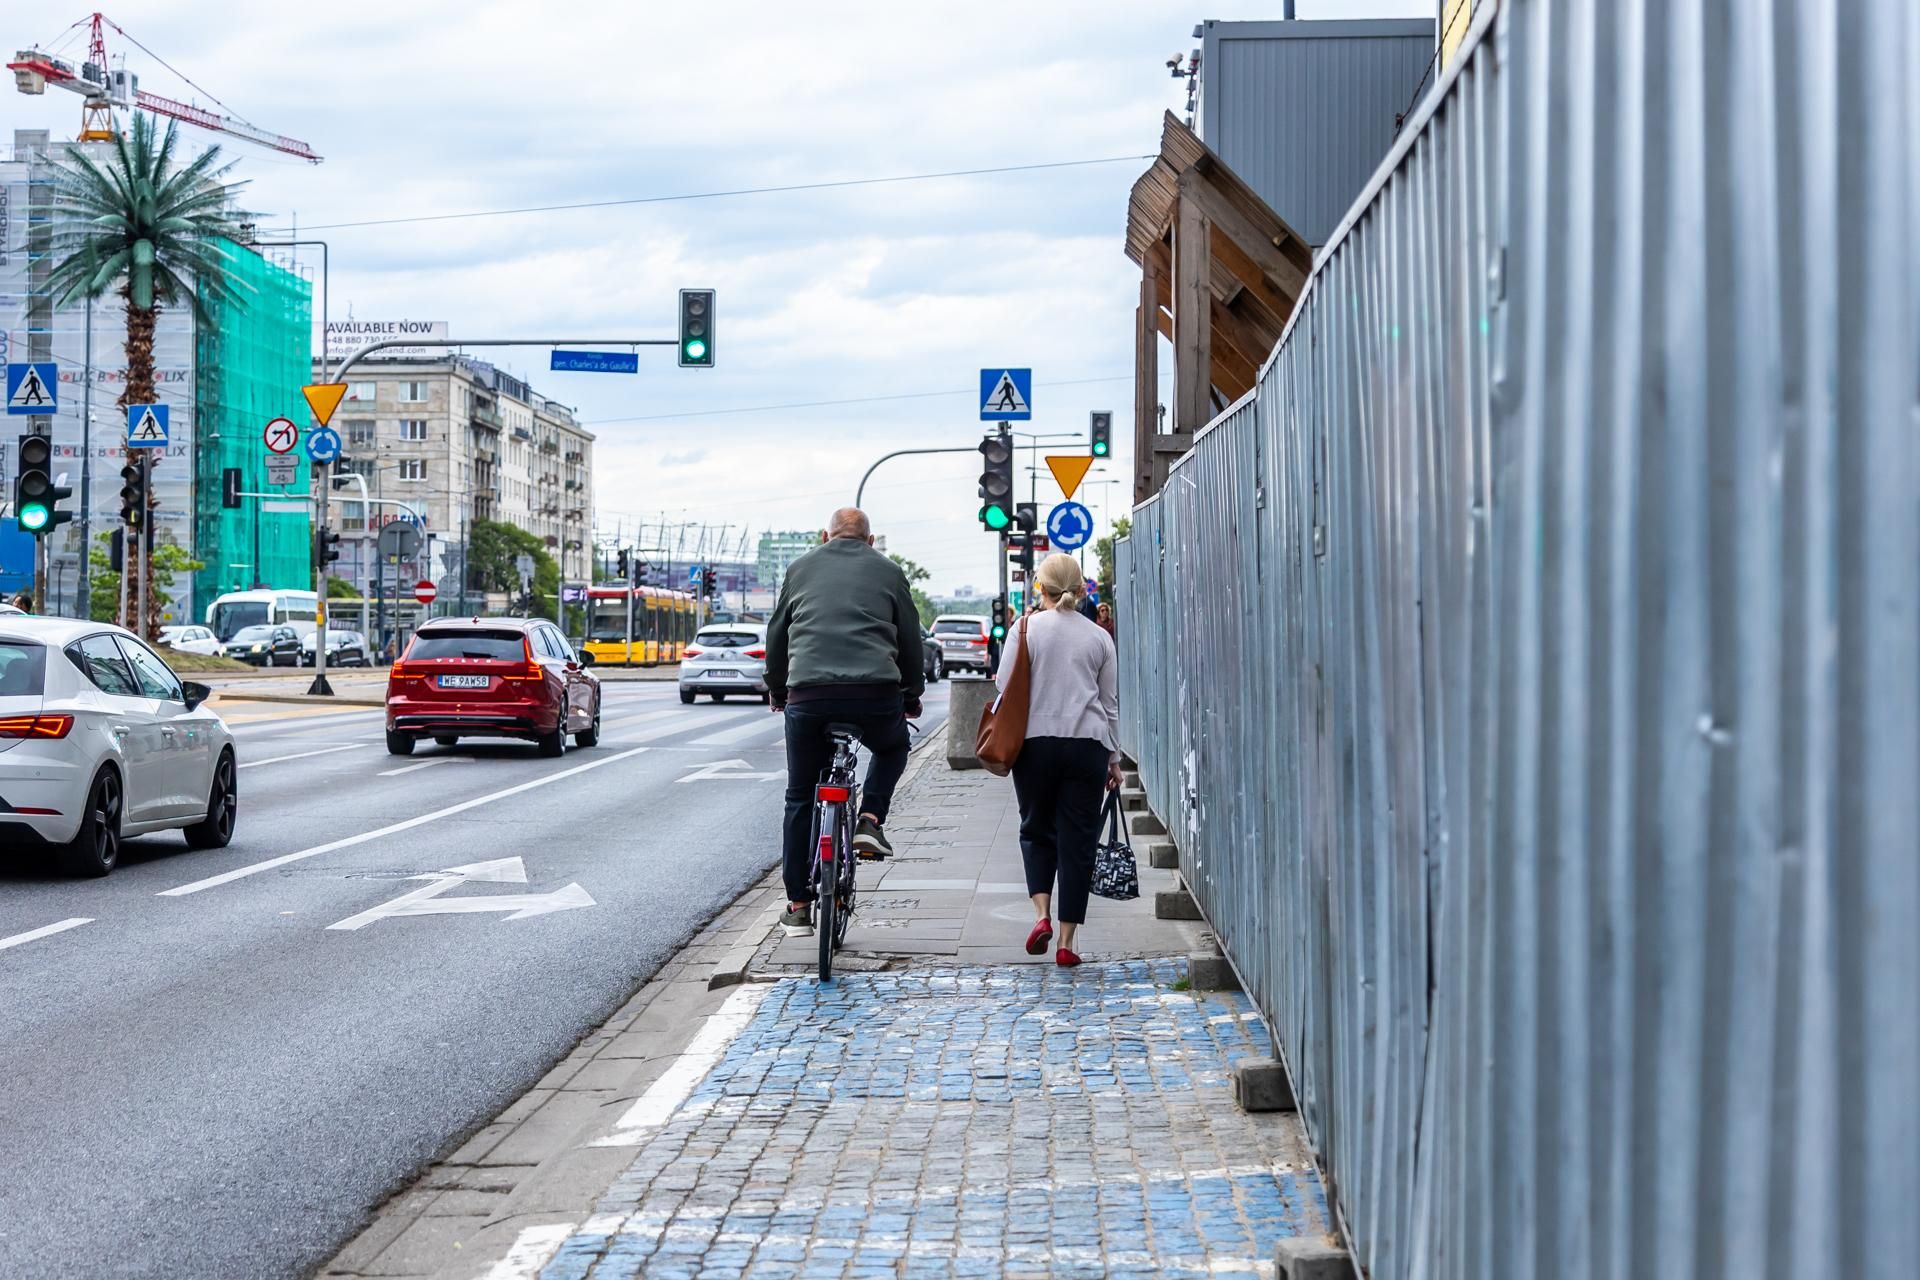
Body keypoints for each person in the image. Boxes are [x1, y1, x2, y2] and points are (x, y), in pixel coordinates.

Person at [765, 507, 924, 936]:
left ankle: (798, 903)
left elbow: (777, 635)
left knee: (800, 795)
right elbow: (910, 638)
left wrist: (778, 690)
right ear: (870, 541)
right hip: (875, 694)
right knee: (893, 747)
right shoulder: (889, 571)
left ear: (825, 536)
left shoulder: (799, 569)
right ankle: (870, 819)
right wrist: (912, 694)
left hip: (809, 697)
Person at [998, 552, 1120, 967]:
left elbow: (1002, 684)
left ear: (1041, 588)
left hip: (1035, 745)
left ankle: (1041, 916)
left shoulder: (1025, 628)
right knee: (1078, 842)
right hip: (1087, 745)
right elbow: (1109, 705)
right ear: (1081, 587)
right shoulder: (1099, 637)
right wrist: (1115, 759)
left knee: (1036, 830)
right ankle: (1068, 943)